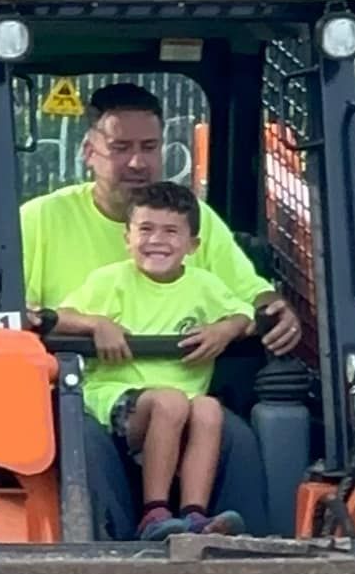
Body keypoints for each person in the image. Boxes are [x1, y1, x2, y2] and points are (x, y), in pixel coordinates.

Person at [21, 83, 302, 539]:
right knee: (84, 442)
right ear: (89, 151)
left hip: (184, 391)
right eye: (120, 147)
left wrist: (271, 310)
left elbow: (249, 293)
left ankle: (243, 541)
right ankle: (109, 543)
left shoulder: (198, 219)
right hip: (84, 394)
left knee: (232, 432)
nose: (137, 161)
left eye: (149, 147)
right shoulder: (38, 221)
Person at [59, 181, 252, 539]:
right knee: (170, 401)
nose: (156, 240)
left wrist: (225, 330)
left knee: (209, 409)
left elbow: (245, 315)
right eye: (145, 229)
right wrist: (97, 323)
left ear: (193, 245)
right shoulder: (109, 282)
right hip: (116, 397)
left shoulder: (204, 286)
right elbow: (60, 316)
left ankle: (195, 516)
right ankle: (153, 514)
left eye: (170, 231)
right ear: (127, 238)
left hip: (184, 404)